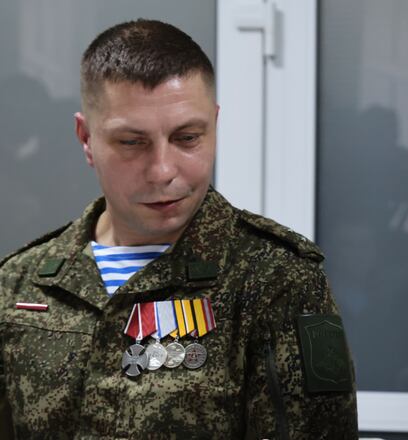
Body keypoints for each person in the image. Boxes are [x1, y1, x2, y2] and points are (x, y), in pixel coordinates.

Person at [0, 19, 357, 439]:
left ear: (214, 125)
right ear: (85, 138)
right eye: (132, 142)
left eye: (187, 137)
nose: (163, 171)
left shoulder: (276, 280)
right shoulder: (21, 285)